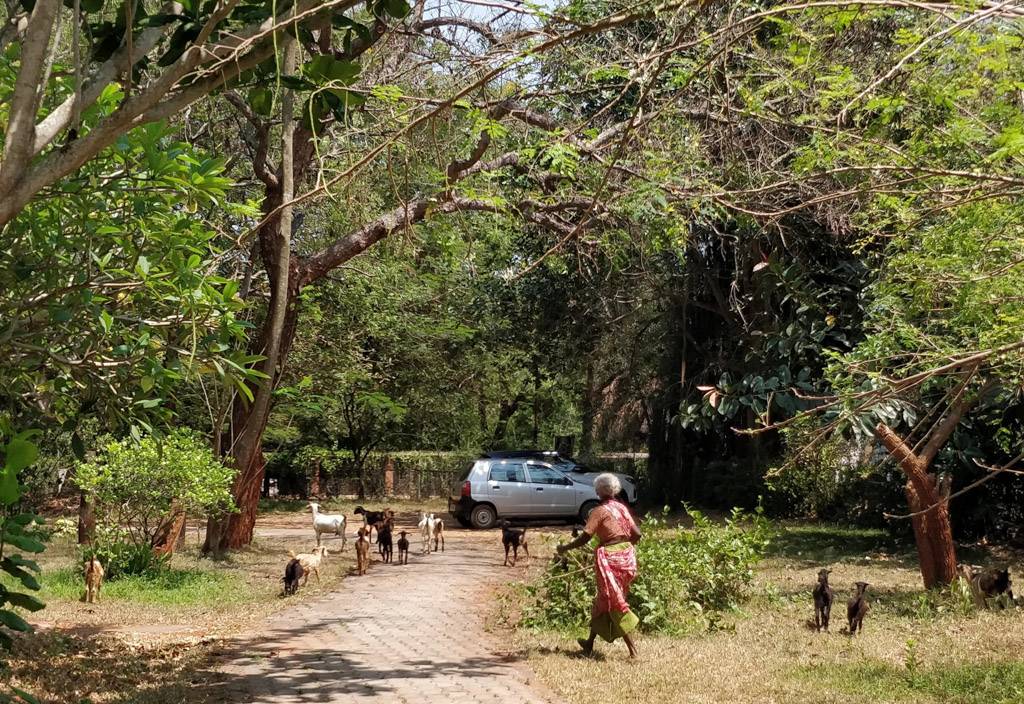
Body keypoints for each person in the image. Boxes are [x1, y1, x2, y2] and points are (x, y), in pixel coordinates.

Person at [556, 473, 642, 658]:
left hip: (610, 559)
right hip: (626, 558)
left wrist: (565, 548)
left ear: (599, 490)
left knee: (614, 602)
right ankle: (589, 643)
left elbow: (585, 537)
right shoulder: (621, 508)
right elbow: (637, 534)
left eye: (596, 488)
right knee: (604, 600)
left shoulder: (599, 511)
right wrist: (623, 547)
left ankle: (633, 651)